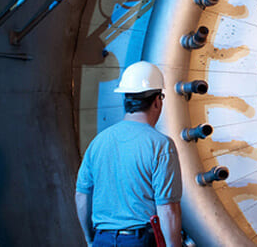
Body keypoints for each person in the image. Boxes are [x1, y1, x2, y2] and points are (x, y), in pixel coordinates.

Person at [76, 61, 182, 247]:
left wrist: (90, 238)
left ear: (125, 100)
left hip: (102, 239)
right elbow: (167, 209)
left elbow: (82, 196)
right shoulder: (160, 145)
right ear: (157, 101)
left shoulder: (99, 142)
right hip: (139, 240)